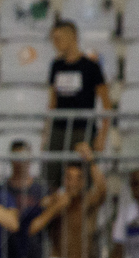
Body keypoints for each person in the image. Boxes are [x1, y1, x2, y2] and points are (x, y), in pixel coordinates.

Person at [46, 19, 113, 162]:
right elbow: (52, 101)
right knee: (53, 173)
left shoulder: (91, 67)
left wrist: (102, 136)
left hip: (83, 130)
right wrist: (46, 134)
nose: (55, 43)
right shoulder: (56, 66)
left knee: (81, 174)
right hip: (59, 129)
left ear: (72, 36)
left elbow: (107, 104)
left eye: (58, 39)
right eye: (53, 39)